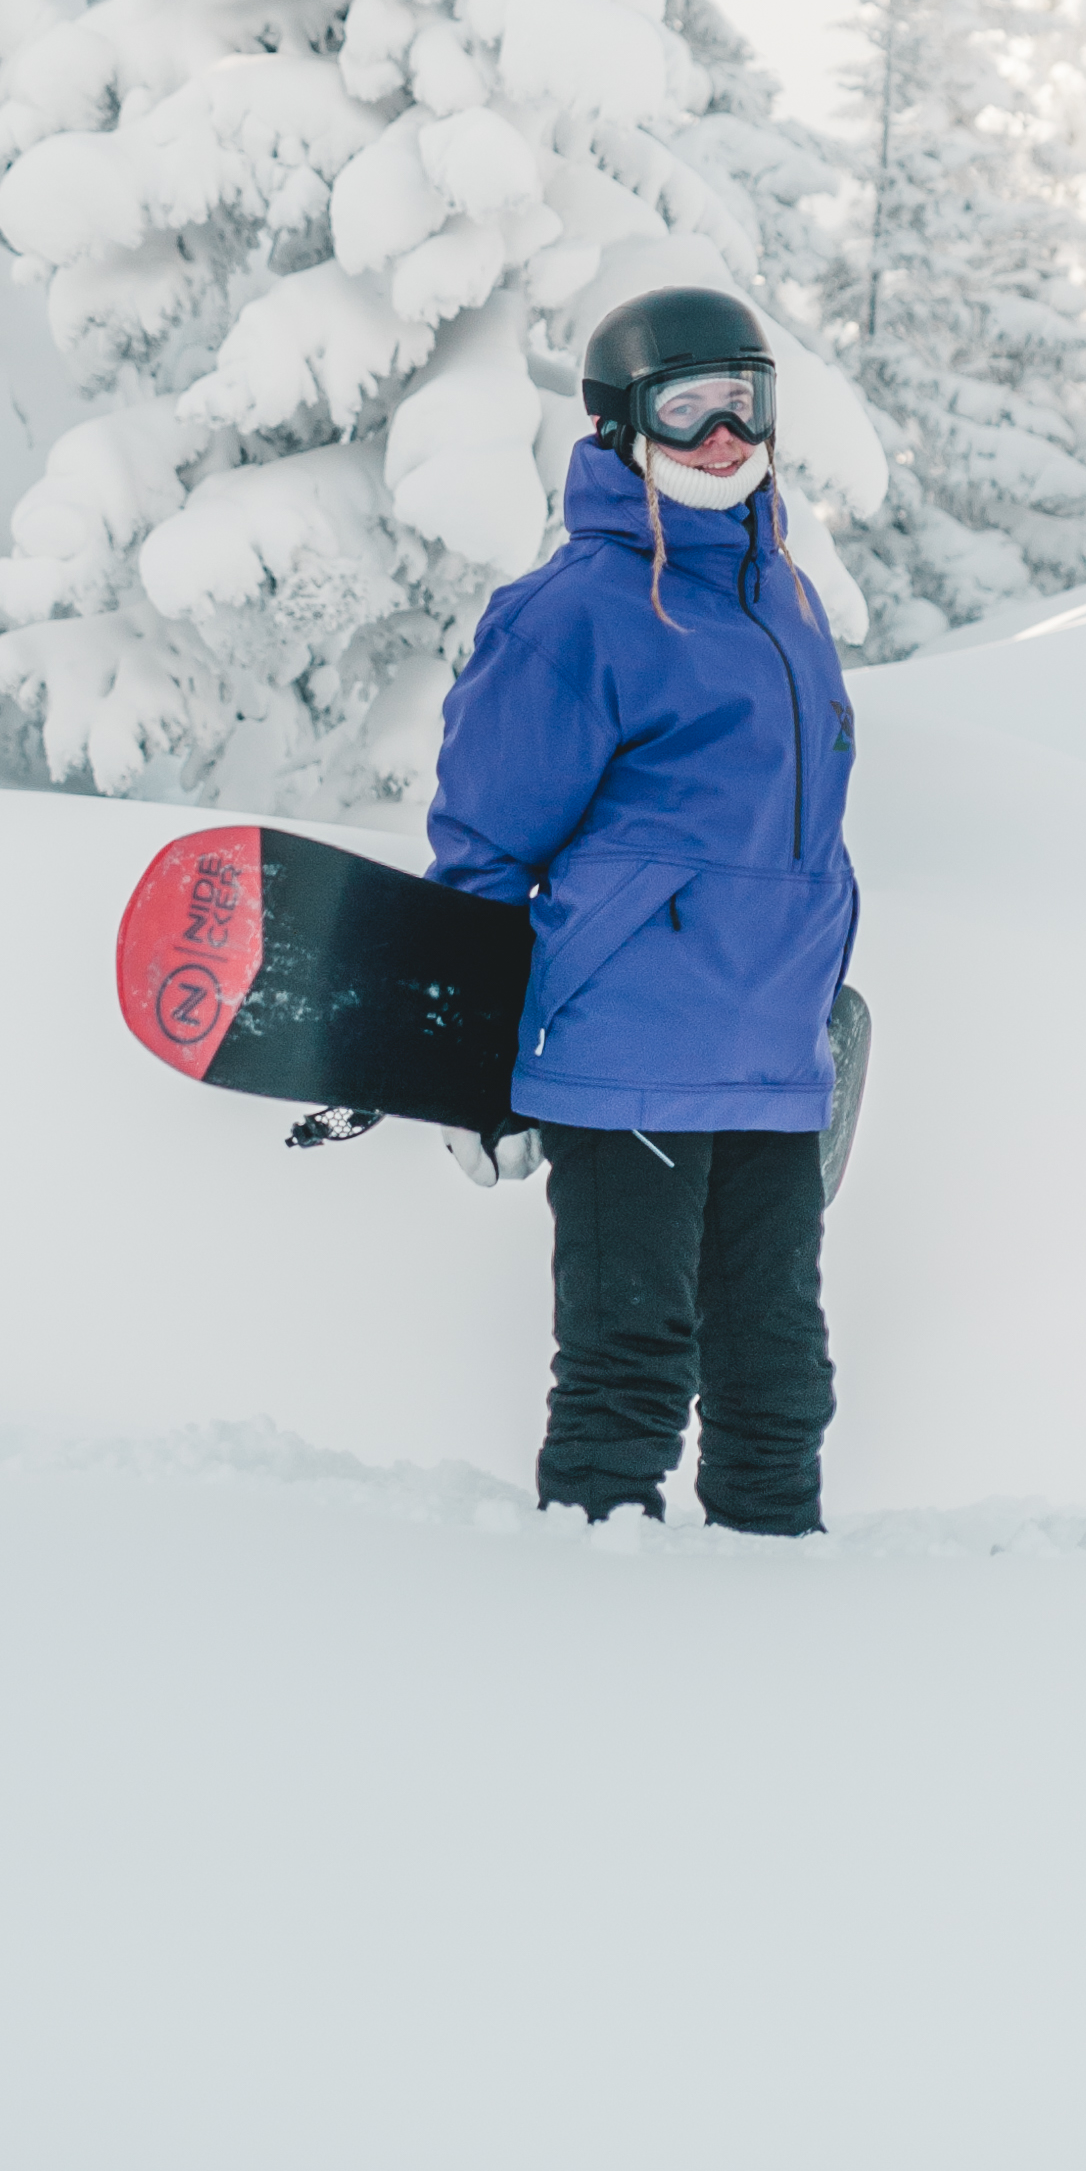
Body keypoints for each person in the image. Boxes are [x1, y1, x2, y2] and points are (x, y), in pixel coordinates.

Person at [423, 285, 859, 1536]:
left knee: (782, 1374)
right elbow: (488, 845)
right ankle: (596, 1633)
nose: (724, 435)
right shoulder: (574, 612)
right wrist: (470, 1062)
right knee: (630, 1365)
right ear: (622, 427)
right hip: (629, 1059)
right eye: (688, 408)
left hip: (772, 1050)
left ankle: (778, 1604)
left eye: (745, 401)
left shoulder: (785, 598)